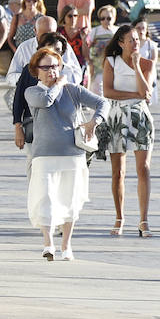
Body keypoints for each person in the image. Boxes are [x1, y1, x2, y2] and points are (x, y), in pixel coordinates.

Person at [23, 48, 108, 261]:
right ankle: (48, 242)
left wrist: (94, 122)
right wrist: (59, 85)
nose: (52, 71)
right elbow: (46, 101)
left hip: (72, 153)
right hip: (43, 154)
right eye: (46, 67)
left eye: (55, 66)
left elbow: (102, 103)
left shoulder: (72, 90)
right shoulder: (32, 92)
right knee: (46, 197)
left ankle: (66, 245)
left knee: (70, 198)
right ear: (36, 71)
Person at [96, 23, 158, 238]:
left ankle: (143, 219)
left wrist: (136, 65)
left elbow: (145, 91)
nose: (135, 44)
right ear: (121, 42)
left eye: (137, 40)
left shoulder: (148, 63)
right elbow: (109, 92)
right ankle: (119, 216)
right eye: (131, 40)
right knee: (118, 172)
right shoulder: (111, 62)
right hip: (116, 118)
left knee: (144, 168)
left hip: (140, 118)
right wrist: (134, 96)